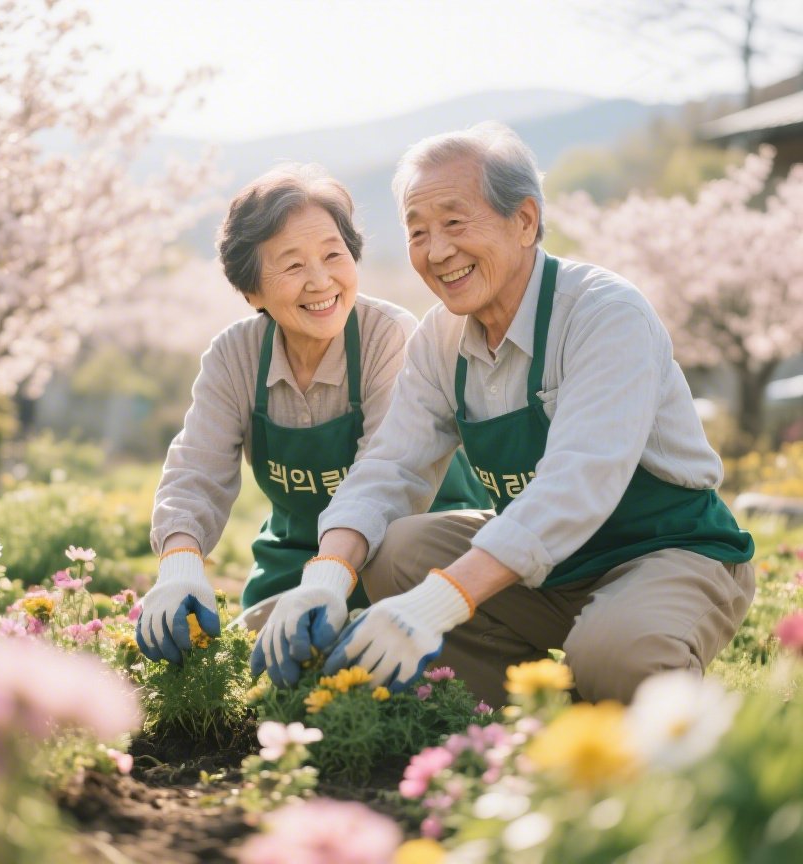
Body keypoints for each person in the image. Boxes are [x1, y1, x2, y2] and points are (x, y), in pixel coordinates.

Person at [252, 124, 756, 705]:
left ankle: (619, 681)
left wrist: (433, 605)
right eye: (418, 231)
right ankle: (525, 711)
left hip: (663, 550)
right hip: (543, 571)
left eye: (455, 223)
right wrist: (325, 579)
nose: (437, 251)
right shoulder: (440, 338)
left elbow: (577, 484)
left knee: (618, 656)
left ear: (524, 221)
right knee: (395, 551)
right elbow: (389, 469)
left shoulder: (604, 314)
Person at [135, 164, 488, 665]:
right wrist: (180, 565)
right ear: (251, 290)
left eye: (332, 254)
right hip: (295, 561)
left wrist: (329, 579)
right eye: (292, 265)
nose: (320, 281)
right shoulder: (235, 355)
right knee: (250, 670)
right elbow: (195, 471)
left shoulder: (388, 336)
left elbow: (382, 476)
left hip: (408, 560)